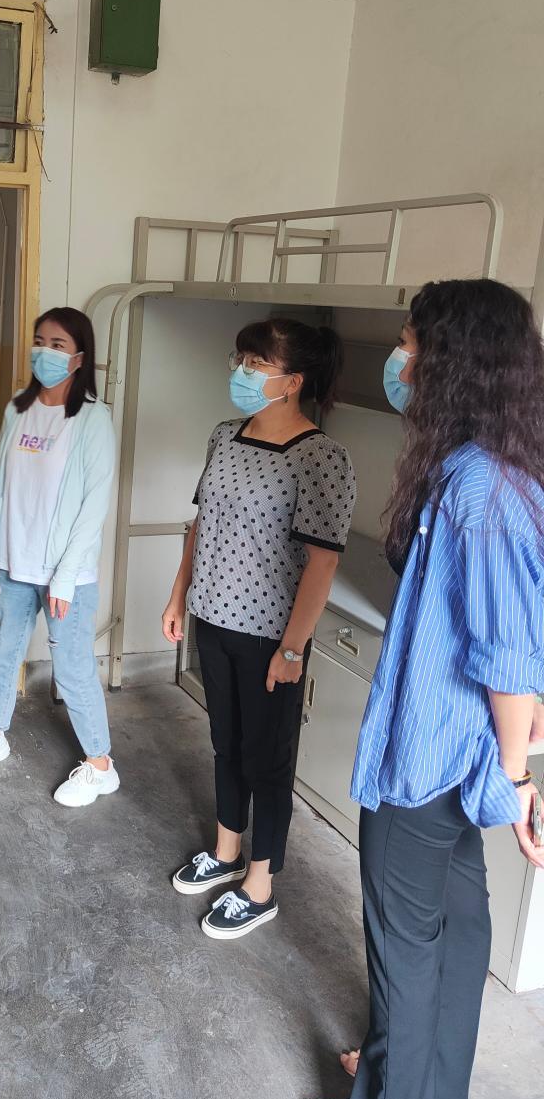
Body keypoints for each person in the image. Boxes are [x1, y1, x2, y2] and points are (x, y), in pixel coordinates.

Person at [307, 279, 544, 1099]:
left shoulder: (480, 484)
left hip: (431, 760)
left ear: (452, 361)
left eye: (410, 343)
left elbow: (509, 655)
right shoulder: (497, 468)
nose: (398, 360)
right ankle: (426, 1085)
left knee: (403, 949)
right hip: (458, 758)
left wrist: (519, 780)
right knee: (458, 921)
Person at [162, 318, 355, 939]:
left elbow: (322, 563)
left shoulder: (321, 456)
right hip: (213, 617)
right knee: (226, 741)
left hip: (271, 636)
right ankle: (225, 851)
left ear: (293, 381)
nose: (242, 372)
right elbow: (201, 523)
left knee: (267, 760)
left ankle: (260, 884)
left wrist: (292, 649)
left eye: (256, 363)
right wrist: (179, 594)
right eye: (240, 359)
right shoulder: (225, 435)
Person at [0, 307, 118, 807]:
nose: (44, 352)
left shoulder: (93, 419)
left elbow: (94, 506)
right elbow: (1, 489)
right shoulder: (17, 410)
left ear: (79, 357)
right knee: (2, 653)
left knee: (72, 667)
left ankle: (101, 765)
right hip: (13, 564)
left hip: (64, 575)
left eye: (57, 344)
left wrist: (65, 578)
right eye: (39, 341)